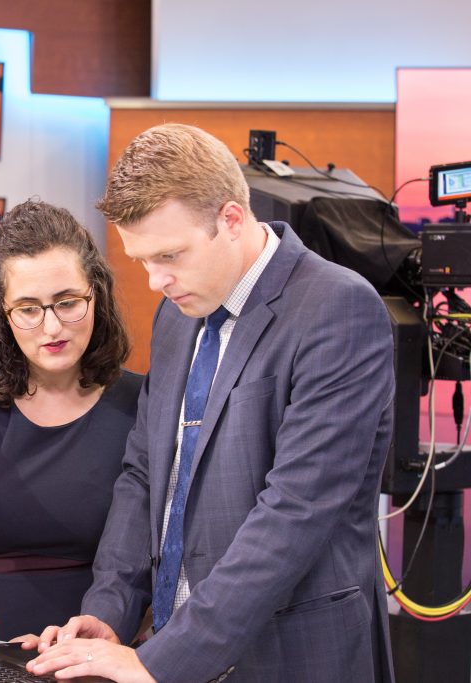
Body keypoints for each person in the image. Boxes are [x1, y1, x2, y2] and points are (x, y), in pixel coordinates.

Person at [26, 124, 395, 683]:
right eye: (143, 260)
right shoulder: (178, 314)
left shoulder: (337, 309)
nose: (156, 281)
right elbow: (146, 473)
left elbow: (294, 512)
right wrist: (110, 610)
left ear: (231, 219)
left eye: (170, 255)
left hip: (289, 656)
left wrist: (162, 661)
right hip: (170, 648)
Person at [0, 199, 143, 656]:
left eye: (68, 303)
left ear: (96, 294)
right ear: (1, 311)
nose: (52, 327)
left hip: (91, 646)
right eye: (28, 309)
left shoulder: (143, 401)